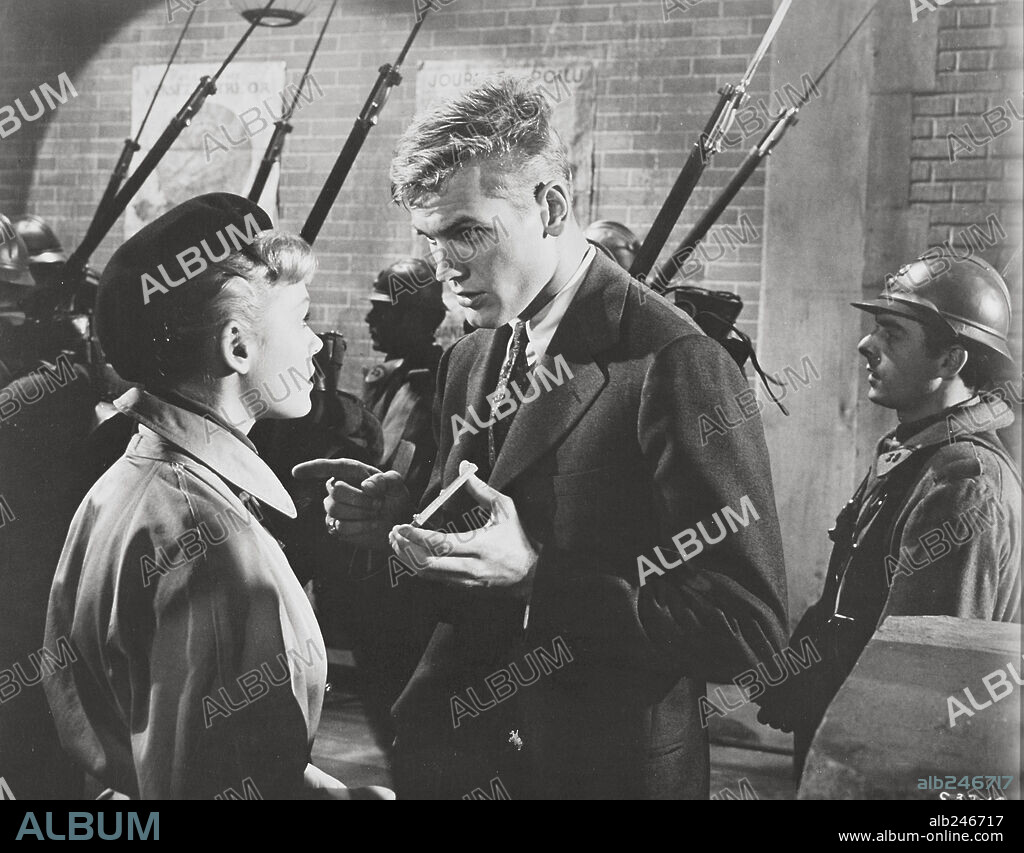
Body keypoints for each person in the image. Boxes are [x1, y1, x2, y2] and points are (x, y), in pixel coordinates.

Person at [295, 76, 789, 800]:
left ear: (551, 207)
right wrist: (406, 518)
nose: (446, 270)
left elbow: (747, 628)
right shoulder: (470, 356)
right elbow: (476, 540)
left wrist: (536, 575)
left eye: (468, 232)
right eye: (432, 241)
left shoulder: (672, 363)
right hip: (463, 754)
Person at [43, 193, 390, 800]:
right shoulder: (205, 544)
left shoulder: (134, 482)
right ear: (237, 346)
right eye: (301, 318)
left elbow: (184, 748)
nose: (315, 346)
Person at [755, 253, 1021, 776]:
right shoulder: (915, 451)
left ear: (951, 361)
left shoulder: (962, 484)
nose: (865, 345)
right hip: (850, 730)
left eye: (892, 334)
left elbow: (928, 682)